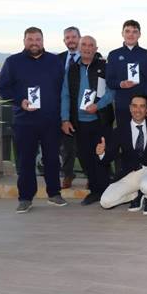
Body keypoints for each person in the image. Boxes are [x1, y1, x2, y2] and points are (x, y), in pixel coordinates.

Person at [0, 27, 67, 213]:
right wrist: (20, 101)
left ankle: (54, 194)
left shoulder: (55, 61)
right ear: (24, 41)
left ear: (43, 41)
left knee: (52, 158)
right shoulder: (12, 62)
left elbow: (64, 89)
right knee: (25, 160)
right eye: (30, 39)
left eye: (38, 39)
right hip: (24, 121)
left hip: (51, 120)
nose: (34, 42)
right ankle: (25, 198)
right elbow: (3, 89)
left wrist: (64, 116)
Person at [60, 35, 115, 205]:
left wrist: (98, 106)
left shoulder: (104, 67)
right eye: (84, 45)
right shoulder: (72, 69)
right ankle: (95, 191)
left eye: (91, 45)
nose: (87, 48)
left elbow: (111, 91)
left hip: (100, 119)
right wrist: (65, 119)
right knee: (85, 157)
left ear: (96, 49)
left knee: (101, 156)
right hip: (79, 123)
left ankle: (105, 190)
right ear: (79, 48)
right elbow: (66, 95)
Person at [98, 94, 147, 215]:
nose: (138, 110)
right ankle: (136, 194)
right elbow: (109, 156)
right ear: (130, 108)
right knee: (105, 202)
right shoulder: (120, 130)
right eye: (134, 106)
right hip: (129, 173)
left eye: (142, 106)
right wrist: (102, 153)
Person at [106, 20, 147, 128]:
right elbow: (109, 81)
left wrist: (146, 104)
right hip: (123, 106)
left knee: (146, 140)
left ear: (139, 34)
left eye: (134, 31)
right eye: (127, 31)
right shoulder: (113, 55)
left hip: (143, 107)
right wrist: (121, 84)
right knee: (125, 140)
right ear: (122, 33)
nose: (131, 34)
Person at [57, 26, 82, 188]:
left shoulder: (90, 56)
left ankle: (92, 174)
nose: (71, 40)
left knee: (88, 144)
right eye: (68, 37)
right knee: (66, 145)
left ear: (79, 38)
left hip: (84, 107)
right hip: (64, 107)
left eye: (74, 37)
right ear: (64, 40)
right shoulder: (57, 59)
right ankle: (67, 174)